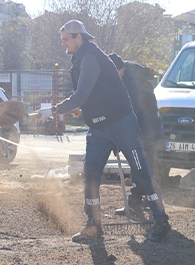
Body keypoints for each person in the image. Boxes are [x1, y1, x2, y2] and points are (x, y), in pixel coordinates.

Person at [54, 20, 170, 243]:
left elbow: (81, 94)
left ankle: (161, 220)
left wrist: (56, 109)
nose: (64, 44)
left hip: (121, 122)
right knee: (91, 174)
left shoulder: (90, 57)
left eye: (66, 40)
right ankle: (93, 224)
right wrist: (79, 110)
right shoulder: (78, 61)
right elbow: (89, 96)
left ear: (79, 37)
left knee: (141, 170)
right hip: (98, 127)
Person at [108, 53, 164, 217]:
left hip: (146, 130)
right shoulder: (127, 77)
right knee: (142, 167)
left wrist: (119, 135)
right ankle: (148, 201)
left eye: (115, 72)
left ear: (122, 68)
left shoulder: (133, 84)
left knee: (140, 167)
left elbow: (128, 112)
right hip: (144, 128)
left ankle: (136, 205)